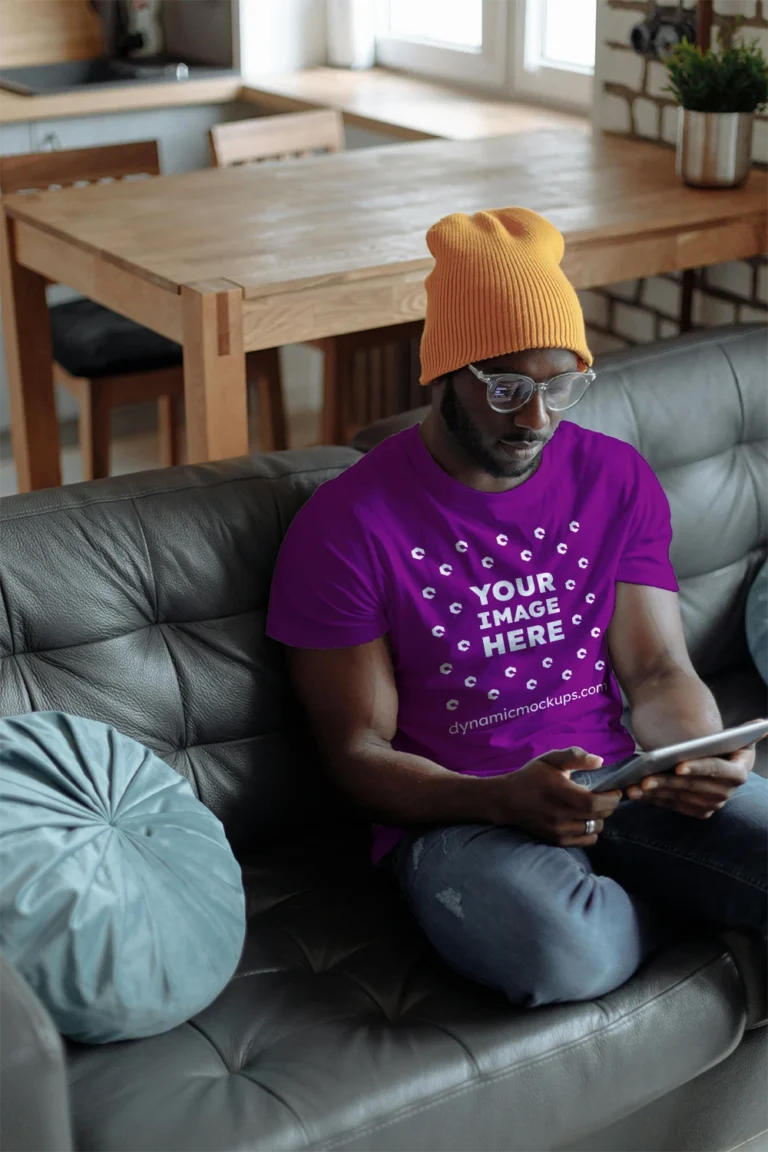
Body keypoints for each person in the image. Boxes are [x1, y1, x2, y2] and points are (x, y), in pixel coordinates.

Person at [267, 206, 766, 1007]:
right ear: (441, 375)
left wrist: (698, 754)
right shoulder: (345, 527)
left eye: (560, 385)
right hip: (459, 817)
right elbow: (356, 752)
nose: (535, 418)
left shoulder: (613, 477)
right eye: (505, 388)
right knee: (564, 952)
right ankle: (706, 905)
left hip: (620, 785)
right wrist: (498, 795)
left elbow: (657, 667)